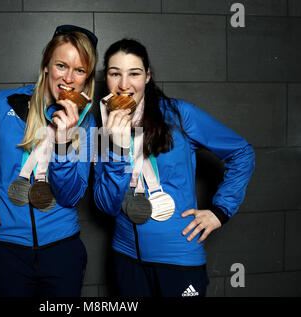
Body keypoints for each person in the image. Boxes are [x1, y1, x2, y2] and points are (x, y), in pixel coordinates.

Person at [93, 39, 255, 297]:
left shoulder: (180, 115)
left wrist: (220, 210)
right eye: (115, 74)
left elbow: (242, 152)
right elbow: (106, 205)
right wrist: (118, 149)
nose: (124, 84)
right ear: (107, 78)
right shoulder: (101, 127)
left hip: (179, 259)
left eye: (134, 73)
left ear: (147, 76)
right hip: (125, 258)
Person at [0, 25, 98, 297]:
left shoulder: (87, 124)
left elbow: (70, 195)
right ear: (46, 66)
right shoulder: (2, 104)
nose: (68, 78)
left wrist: (65, 142)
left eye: (79, 70)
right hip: (8, 250)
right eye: (61, 65)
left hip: (62, 251)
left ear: (86, 78)